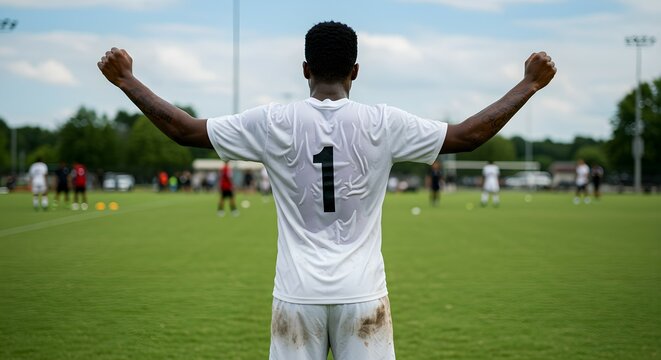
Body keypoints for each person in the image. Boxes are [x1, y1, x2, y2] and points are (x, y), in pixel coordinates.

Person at [98, 20, 556, 360]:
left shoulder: (273, 121)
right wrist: (529, 83)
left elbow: (184, 131)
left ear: (304, 68)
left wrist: (126, 80)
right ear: (356, 70)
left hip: (297, 295)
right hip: (363, 295)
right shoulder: (385, 122)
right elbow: (467, 136)